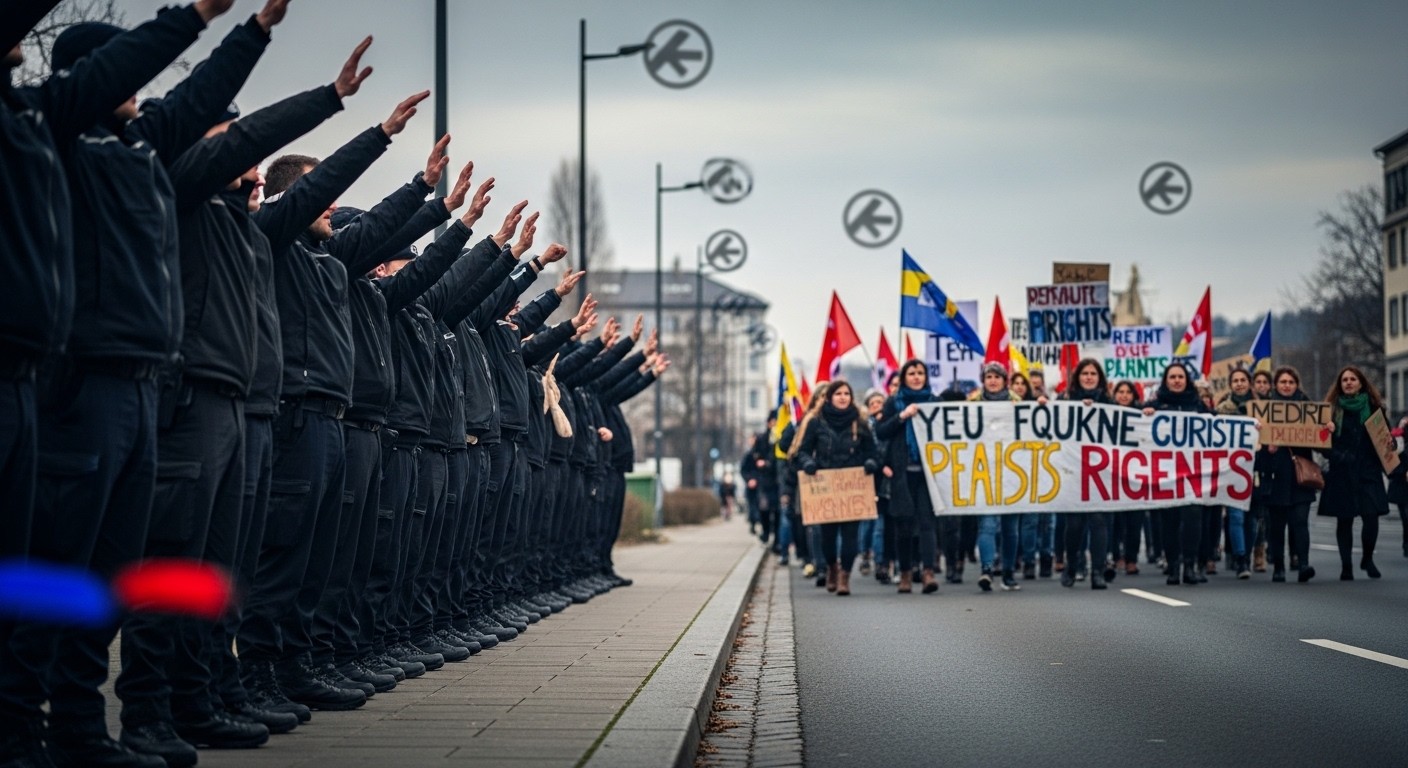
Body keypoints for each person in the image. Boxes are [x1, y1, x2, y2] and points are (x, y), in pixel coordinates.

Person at [792, 379, 877, 596]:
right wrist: (808, 464)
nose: (842, 397)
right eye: (838, 393)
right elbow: (801, 452)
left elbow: (873, 452)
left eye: (846, 394)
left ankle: (844, 576)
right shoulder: (816, 422)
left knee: (850, 537)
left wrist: (870, 463)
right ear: (830, 397)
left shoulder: (860, 422)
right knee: (827, 537)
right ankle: (831, 567)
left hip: (852, 487)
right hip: (826, 488)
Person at [1319, 365, 1391, 580]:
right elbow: (1320, 443)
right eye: (1344, 380)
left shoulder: (1375, 408)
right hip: (1342, 471)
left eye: (1353, 379)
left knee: (1371, 517)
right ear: (1340, 385)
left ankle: (1367, 558)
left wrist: (1391, 445)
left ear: (1361, 383)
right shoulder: (1331, 411)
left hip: (1368, 471)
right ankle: (1346, 565)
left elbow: (1386, 440)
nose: (1348, 382)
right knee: (1345, 520)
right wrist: (1328, 435)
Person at [875, 360, 940, 594]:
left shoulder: (935, 402)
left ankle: (928, 572)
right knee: (903, 525)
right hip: (902, 473)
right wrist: (902, 416)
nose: (916, 377)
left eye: (920, 373)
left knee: (926, 524)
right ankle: (904, 573)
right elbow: (881, 432)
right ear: (904, 377)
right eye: (911, 373)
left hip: (928, 474)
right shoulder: (894, 402)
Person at [1143, 363, 1211, 586]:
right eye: (1172, 377)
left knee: (1193, 519)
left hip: (1192, 475)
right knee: (1169, 523)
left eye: (1180, 377)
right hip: (1165, 476)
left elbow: (1220, 427)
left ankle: (1189, 565)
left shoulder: (1198, 405)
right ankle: (1173, 566)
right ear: (1166, 380)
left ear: (1186, 380)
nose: (1176, 381)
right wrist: (1146, 415)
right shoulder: (1156, 405)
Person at [1256, 366, 1317, 583]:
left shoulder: (1309, 408)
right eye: (1283, 382)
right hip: (1276, 477)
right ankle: (1279, 566)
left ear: (1296, 385)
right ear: (1276, 385)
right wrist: (1267, 449)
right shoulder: (1264, 411)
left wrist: (1326, 430)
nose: (1287, 386)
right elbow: (1256, 452)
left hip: (1301, 476)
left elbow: (1322, 447)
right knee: (1277, 525)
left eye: (1291, 382)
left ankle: (1303, 564)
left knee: (1300, 521)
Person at [1060, 359, 1115, 590]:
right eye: (1085, 373)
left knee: (1098, 520)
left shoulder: (1110, 404)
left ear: (1099, 378)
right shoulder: (1065, 402)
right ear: (1078, 377)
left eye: (1093, 373)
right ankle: (1072, 564)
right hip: (1074, 471)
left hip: (1101, 471)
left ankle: (1098, 572)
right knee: (1074, 524)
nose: (1089, 377)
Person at [968, 363, 1024, 591]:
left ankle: (1009, 571)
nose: (992, 381)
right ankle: (987, 569)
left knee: (1010, 527)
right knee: (988, 524)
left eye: (996, 377)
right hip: (984, 471)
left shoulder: (1018, 404)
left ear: (1004, 380)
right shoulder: (971, 404)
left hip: (1012, 473)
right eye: (988, 377)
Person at [1215, 369, 1257, 578]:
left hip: (1257, 471)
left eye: (1243, 380)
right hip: (1233, 470)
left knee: (1252, 518)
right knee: (1235, 515)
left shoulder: (1263, 409)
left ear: (1250, 383)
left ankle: (1247, 554)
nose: (1239, 384)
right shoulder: (1222, 410)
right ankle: (1241, 559)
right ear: (1230, 385)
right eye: (1235, 381)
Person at [1111, 380, 1151, 575]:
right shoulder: (1105, 413)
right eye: (1120, 392)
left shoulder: (1142, 415)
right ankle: (1116, 555)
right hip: (1111, 476)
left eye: (1128, 392)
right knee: (1115, 520)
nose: (1124, 395)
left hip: (1136, 476)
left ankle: (1131, 559)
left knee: (1134, 520)